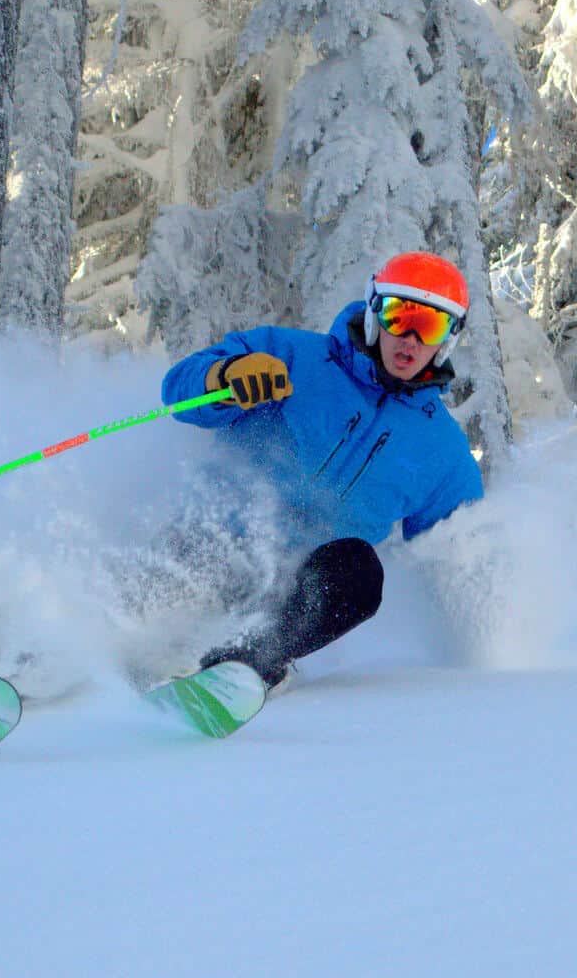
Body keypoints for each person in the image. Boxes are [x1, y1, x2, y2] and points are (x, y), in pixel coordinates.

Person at [160, 251, 485, 691]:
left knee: (360, 571)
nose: (409, 338)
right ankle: (57, 657)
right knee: (156, 592)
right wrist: (225, 377)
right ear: (374, 311)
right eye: (398, 316)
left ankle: (246, 662)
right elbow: (177, 390)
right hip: (209, 542)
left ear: (448, 338)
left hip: (290, 596)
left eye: (429, 326)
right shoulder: (294, 357)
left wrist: (495, 633)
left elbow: (461, 552)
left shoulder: (442, 451)